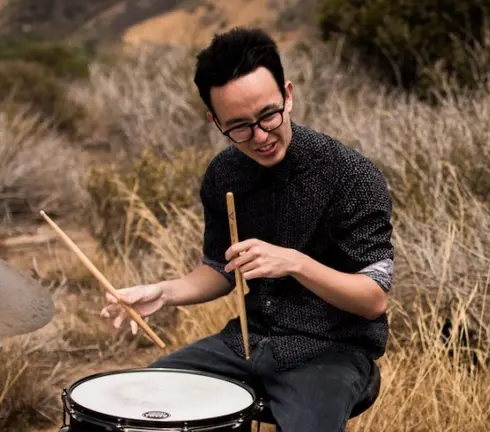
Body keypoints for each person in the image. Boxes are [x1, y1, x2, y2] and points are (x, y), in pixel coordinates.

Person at [99, 27, 395, 432]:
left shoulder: (352, 176)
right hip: (246, 341)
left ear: (288, 95)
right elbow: (221, 270)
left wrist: (294, 263)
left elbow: (373, 300)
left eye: (268, 115)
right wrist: (163, 293)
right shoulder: (223, 174)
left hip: (332, 352)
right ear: (214, 120)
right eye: (238, 126)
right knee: (144, 407)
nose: (259, 136)